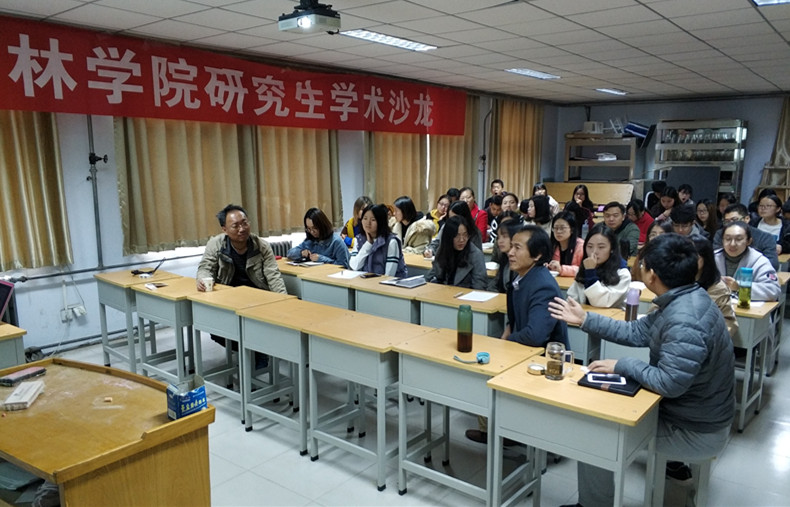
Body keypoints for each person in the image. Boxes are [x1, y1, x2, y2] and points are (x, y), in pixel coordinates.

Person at [549, 234, 735, 507]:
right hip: (689, 413)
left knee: (596, 435)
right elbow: (637, 331)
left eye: (643, 265)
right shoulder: (686, 296)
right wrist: (585, 319)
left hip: (695, 430)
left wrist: (622, 365)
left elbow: (669, 383)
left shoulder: (685, 318)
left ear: (652, 275)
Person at [197, 204, 286, 295]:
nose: (242, 229)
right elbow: (206, 268)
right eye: (235, 226)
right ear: (225, 230)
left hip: (257, 294)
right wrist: (203, 280)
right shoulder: (215, 244)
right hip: (227, 294)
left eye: (244, 223)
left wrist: (284, 299)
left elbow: (273, 276)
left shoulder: (261, 246)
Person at [714, 221, 780, 302]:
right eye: (728, 239)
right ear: (722, 241)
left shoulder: (759, 260)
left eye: (738, 239)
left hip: (748, 308)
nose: (732, 244)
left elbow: (773, 290)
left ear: (748, 241)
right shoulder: (713, 258)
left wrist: (739, 287)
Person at [568, 223, 631, 308]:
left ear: (612, 249)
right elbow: (571, 298)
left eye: (601, 247)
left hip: (610, 316)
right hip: (583, 314)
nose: (594, 252)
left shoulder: (623, 274)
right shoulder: (585, 267)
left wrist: (590, 272)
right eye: (590, 247)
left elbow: (600, 302)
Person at [691, 237, 738, 338]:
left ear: (705, 258)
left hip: (705, 340)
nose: (689, 260)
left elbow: (729, 324)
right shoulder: (674, 281)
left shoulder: (718, 288)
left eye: (694, 256)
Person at [426, 216, 487, 290]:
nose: (462, 240)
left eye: (465, 235)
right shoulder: (443, 250)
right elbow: (431, 276)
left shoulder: (475, 255)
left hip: (463, 294)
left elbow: (479, 286)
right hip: (442, 292)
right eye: (457, 236)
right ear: (449, 237)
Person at [712, 203, 779, 270]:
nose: (731, 224)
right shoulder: (720, 234)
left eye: (735, 220)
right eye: (727, 221)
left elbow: (772, 264)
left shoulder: (765, 237)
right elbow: (715, 258)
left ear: (747, 219)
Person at [349, 204, 407, 276]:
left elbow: (389, 275)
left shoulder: (391, 242)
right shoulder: (359, 239)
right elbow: (354, 266)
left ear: (381, 222)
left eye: (373, 220)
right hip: (366, 281)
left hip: (389, 282)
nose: (368, 223)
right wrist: (368, 244)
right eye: (365, 218)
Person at [489, 212, 521, 293]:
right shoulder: (504, 259)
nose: (500, 241)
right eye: (499, 237)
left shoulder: (521, 262)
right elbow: (494, 285)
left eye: (504, 236)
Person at [547, 211, 584, 277]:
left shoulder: (581, 246)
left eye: (562, 228)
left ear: (572, 229)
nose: (558, 231)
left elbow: (583, 270)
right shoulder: (553, 245)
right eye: (555, 228)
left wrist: (561, 269)